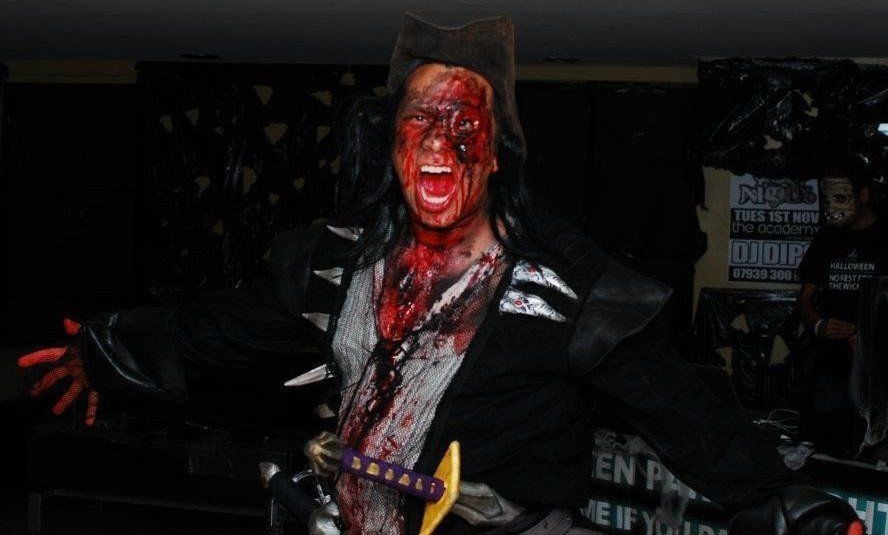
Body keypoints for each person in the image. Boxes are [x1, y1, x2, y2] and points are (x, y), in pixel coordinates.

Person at [19, 13, 864, 535]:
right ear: (394, 142)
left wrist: (786, 504)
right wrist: (106, 350)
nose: (438, 137)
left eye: (465, 121)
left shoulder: (567, 285)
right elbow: (226, 325)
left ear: (496, 153)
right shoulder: (338, 261)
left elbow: (676, 405)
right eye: (420, 116)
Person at [797, 169, 887, 458]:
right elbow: (805, 299)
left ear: (863, 196)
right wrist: (818, 324)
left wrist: (872, 335)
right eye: (827, 200)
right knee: (827, 445)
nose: (832, 208)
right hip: (831, 360)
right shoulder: (828, 238)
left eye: (840, 198)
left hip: (878, 363)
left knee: (873, 445)